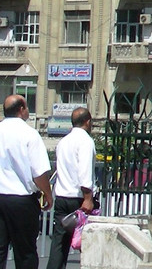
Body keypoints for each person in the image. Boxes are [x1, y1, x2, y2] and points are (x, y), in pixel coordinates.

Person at [0, 94, 52, 269]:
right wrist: (48, 194)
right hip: (21, 200)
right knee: (25, 252)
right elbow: (39, 172)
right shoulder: (29, 134)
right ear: (21, 110)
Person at [47, 107, 95, 269]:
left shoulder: (63, 141)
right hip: (79, 199)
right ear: (88, 122)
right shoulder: (86, 141)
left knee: (59, 244)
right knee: (86, 242)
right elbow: (85, 171)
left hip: (62, 196)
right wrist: (88, 198)